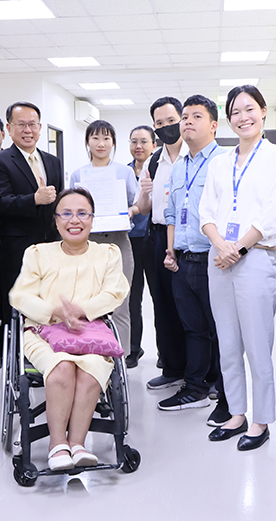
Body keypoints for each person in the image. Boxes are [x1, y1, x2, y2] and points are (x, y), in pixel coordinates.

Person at [9, 188, 129, 471]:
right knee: (62, 367)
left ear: (92, 219)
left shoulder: (108, 254)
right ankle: (56, 445)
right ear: (56, 219)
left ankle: (77, 444)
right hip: (42, 333)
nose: (74, 220)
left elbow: (116, 291)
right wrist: (54, 311)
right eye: (66, 213)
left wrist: (80, 310)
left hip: (90, 334)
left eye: (82, 213)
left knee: (90, 370)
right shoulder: (38, 253)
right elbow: (20, 296)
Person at [200, 85, 276, 451]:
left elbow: (272, 214)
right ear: (227, 119)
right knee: (227, 343)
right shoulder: (220, 161)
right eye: (236, 112)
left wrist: (236, 247)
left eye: (250, 109)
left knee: (257, 345)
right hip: (218, 259)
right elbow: (207, 212)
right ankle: (236, 413)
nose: (243, 117)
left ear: (264, 111)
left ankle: (261, 420)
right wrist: (221, 245)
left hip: (255, 258)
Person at [161, 95, 228, 425]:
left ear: (213, 125)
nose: (186, 121)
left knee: (221, 328)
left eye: (195, 116)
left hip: (213, 259)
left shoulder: (224, 163)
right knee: (194, 329)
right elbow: (172, 212)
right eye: (184, 116)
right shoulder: (178, 167)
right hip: (183, 260)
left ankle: (224, 389)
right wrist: (170, 250)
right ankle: (197, 387)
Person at [0, 101, 65, 371]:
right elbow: (0, 202)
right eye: (21, 124)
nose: (27, 130)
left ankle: (47, 358)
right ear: (9, 128)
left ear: (40, 128)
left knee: (48, 307)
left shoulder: (52, 161)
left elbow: (58, 203)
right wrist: (34, 199)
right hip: (15, 250)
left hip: (51, 249)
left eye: (32, 124)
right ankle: (17, 362)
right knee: (16, 309)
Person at [69, 120, 151, 363]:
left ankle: (120, 363)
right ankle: (92, 359)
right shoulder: (78, 175)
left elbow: (142, 207)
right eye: (95, 138)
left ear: (114, 143)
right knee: (88, 304)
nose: (101, 144)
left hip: (118, 243)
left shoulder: (124, 172)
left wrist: (133, 209)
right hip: (88, 247)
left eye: (106, 138)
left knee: (121, 304)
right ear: (87, 142)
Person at [143, 96, 189, 388]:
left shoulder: (195, 154)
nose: (166, 127)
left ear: (183, 119)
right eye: (159, 123)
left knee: (191, 308)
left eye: (171, 121)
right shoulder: (154, 159)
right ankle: (172, 367)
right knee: (162, 303)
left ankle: (202, 373)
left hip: (188, 239)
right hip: (158, 236)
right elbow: (145, 205)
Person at [127, 125, 157, 367]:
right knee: (132, 297)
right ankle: (133, 349)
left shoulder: (161, 169)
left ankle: (166, 354)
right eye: (134, 141)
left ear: (153, 145)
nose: (138, 146)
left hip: (155, 240)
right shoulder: (123, 173)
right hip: (130, 242)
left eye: (144, 141)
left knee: (160, 298)